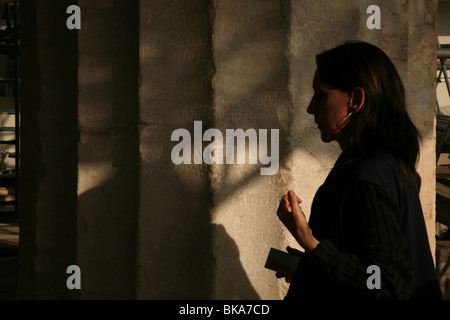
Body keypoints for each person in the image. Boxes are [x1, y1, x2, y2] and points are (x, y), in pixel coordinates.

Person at [276, 41, 443, 300]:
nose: (310, 108)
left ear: (355, 100)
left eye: (321, 95)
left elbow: (384, 283)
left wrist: (309, 241)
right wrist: (313, 267)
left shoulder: (368, 174)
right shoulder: (374, 164)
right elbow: (365, 264)